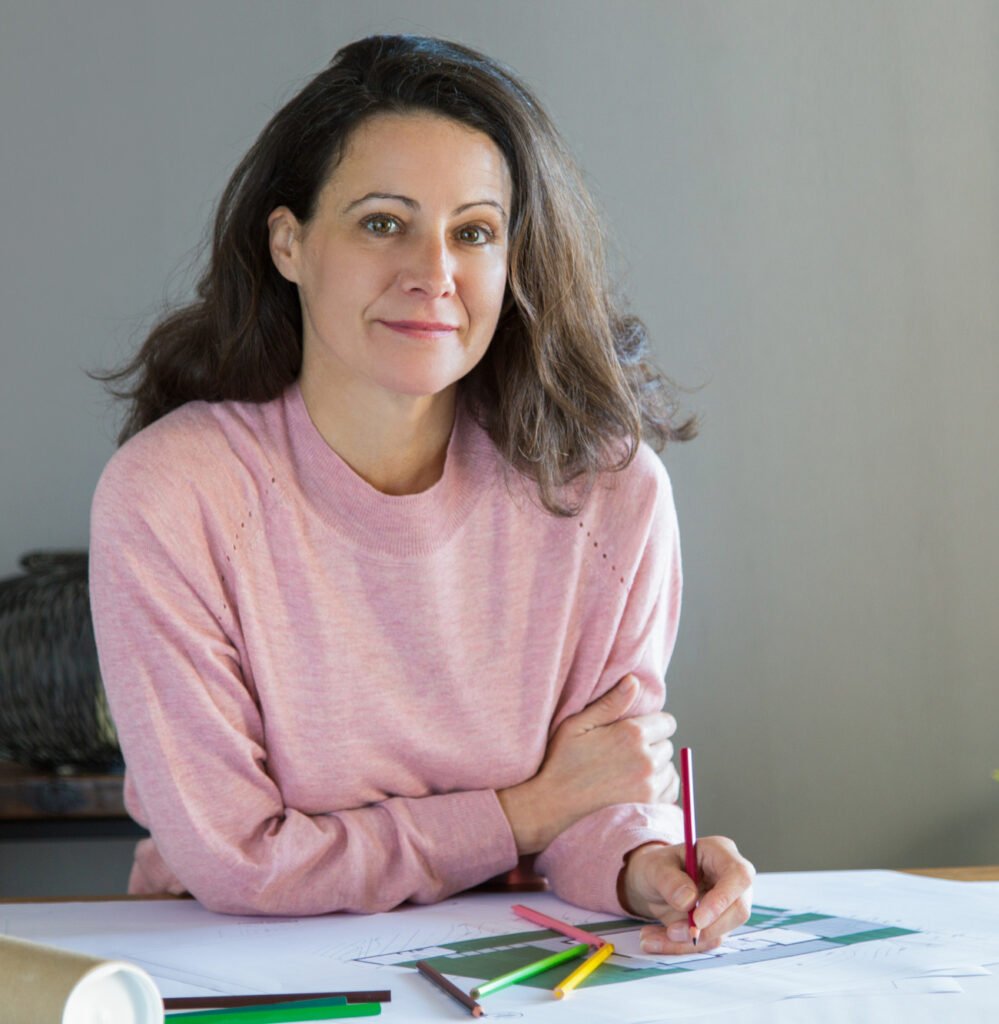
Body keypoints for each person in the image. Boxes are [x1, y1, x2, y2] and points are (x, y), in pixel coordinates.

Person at [89, 34, 753, 955]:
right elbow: (241, 862)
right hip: (241, 966)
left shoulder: (606, 491)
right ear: (288, 243)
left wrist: (644, 864)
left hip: (513, 967)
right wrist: (522, 812)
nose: (432, 273)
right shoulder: (173, 495)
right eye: (381, 223)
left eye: (472, 232)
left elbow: (597, 797)